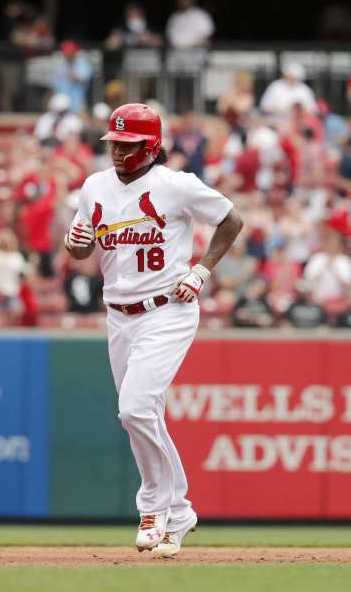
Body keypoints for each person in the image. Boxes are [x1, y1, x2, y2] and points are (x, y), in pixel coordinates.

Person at [63, 103, 243, 557]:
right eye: (115, 144)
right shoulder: (93, 187)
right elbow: (82, 250)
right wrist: (74, 244)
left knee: (134, 409)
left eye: (128, 145)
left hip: (167, 308)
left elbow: (231, 219)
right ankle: (180, 512)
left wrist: (201, 270)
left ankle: (153, 506)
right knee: (143, 415)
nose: (118, 152)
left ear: (152, 146)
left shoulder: (175, 186)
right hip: (118, 314)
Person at [51, 40, 93, 113]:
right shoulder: (60, 66)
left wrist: (70, 66)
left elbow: (77, 79)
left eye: (70, 52)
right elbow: (54, 86)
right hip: (61, 105)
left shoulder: (83, 64)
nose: (67, 54)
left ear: (75, 53)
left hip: (77, 104)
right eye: (66, 52)